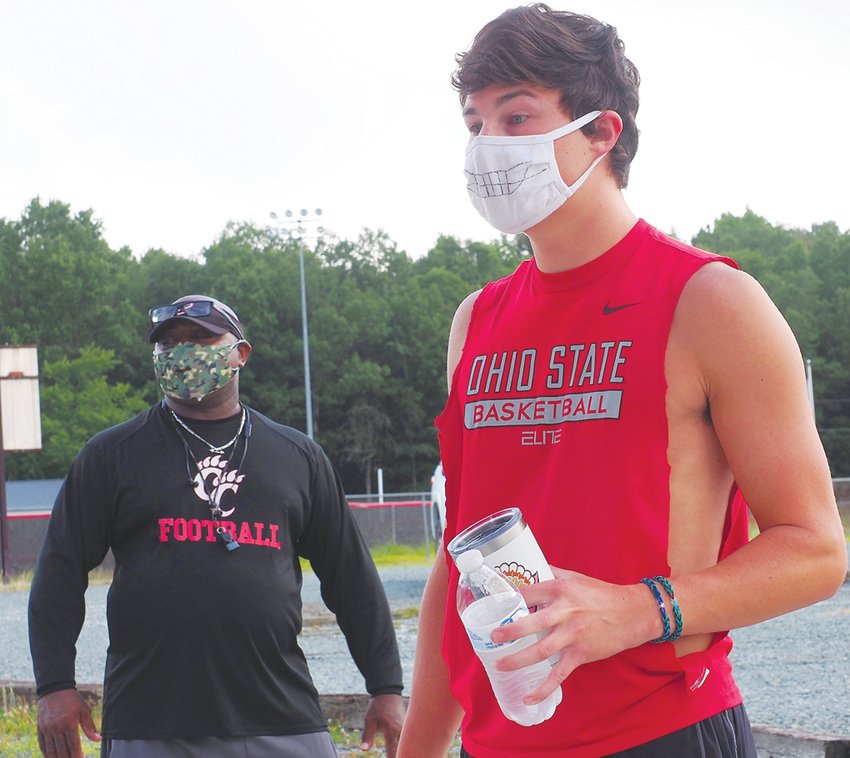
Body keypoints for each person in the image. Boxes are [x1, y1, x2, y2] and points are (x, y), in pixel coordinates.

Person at [398, 5, 848, 757]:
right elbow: (461, 559)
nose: (487, 148)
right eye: (474, 124)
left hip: (660, 733)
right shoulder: (475, 321)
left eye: (516, 117)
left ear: (602, 132)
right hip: (499, 741)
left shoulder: (709, 301)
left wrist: (639, 610)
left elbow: (815, 550)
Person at [29, 295, 405, 758]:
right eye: (169, 342)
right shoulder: (113, 454)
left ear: (240, 352)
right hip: (151, 721)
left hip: (282, 719)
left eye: (202, 338)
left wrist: (386, 686)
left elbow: (352, 579)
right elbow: (59, 573)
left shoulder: (297, 457)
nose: (183, 351)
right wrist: (54, 687)